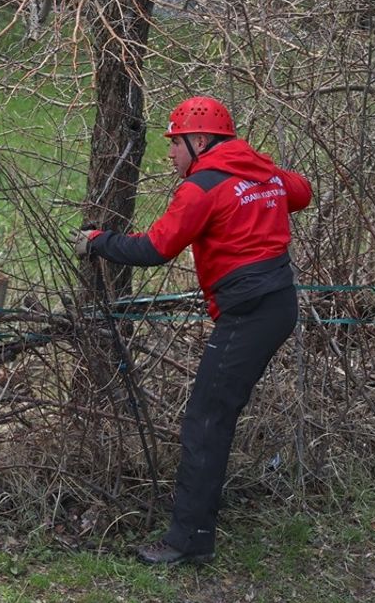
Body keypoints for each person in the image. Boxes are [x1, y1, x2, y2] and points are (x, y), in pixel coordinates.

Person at [72, 96, 312, 565]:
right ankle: (194, 533)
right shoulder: (257, 171)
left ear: (199, 140)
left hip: (249, 314)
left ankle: (188, 541)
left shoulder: (201, 187)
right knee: (212, 418)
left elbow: (156, 248)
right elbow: (300, 192)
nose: (170, 153)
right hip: (277, 305)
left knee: (205, 423)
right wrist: (259, 169)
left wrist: (98, 242)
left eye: (176, 143)